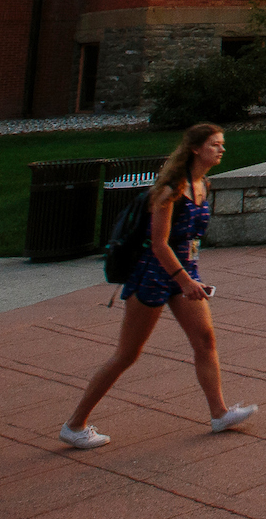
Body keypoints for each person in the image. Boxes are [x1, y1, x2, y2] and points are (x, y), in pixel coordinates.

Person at [61, 123, 255, 447]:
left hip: (184, 275)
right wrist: (184, 279)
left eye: (222, 144)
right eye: (214, 144)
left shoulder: (202, 185)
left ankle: (220, 413)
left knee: (205, 341)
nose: (221, 149)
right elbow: (158, 243)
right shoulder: (170, 190)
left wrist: (190, 277)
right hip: (153, 276)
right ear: (195, 148)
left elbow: (188, 241)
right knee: (126, 355)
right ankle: (74, 424)